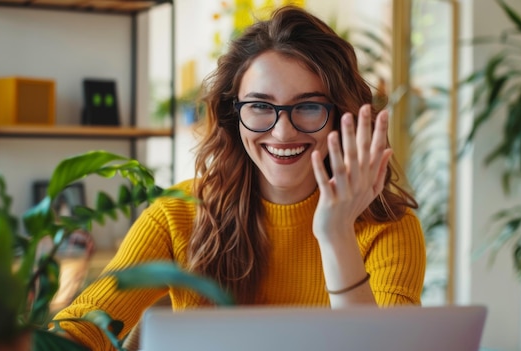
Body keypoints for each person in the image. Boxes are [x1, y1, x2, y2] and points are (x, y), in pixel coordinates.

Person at [54, 5, 426, 350]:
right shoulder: (177, 214)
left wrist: (335, 234)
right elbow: (86, 324)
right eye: (261, 106)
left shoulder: (389, 227)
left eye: (309, 106)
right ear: (235, 114)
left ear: (341, 115)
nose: (282, 133)